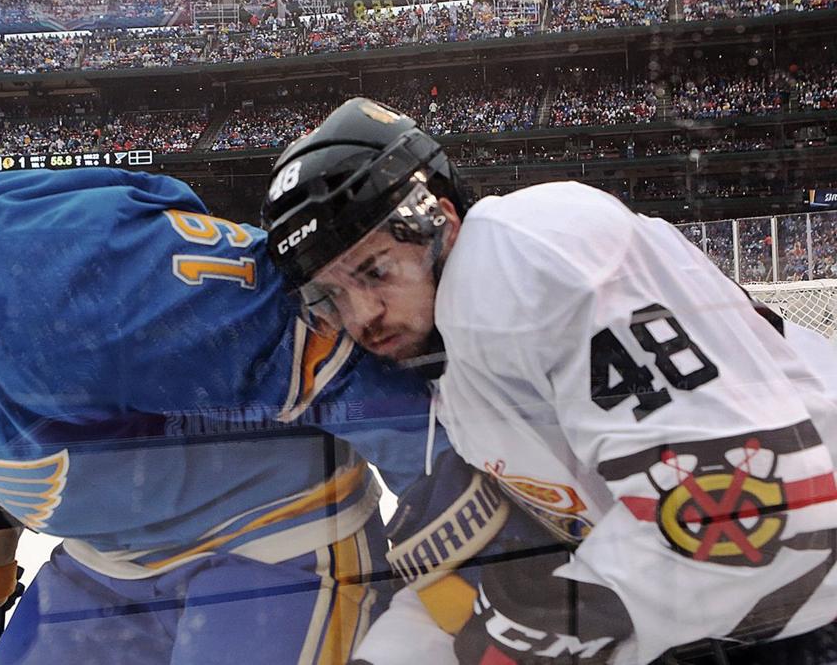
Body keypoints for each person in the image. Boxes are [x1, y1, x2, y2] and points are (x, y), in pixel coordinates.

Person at [0, 66, 528, 664]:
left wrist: (473, 531)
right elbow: (18, 389)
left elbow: (332, 348)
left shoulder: (80, 264)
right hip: (112, 556)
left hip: (274, 538)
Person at [263, 97, 837, 664]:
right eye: (331, 295)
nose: (362, 316)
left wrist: (530, 633)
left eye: (375, 270)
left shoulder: (522, 255)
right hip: (768, 616)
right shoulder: (458, 367)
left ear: (441, 219)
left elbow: (753, 515)